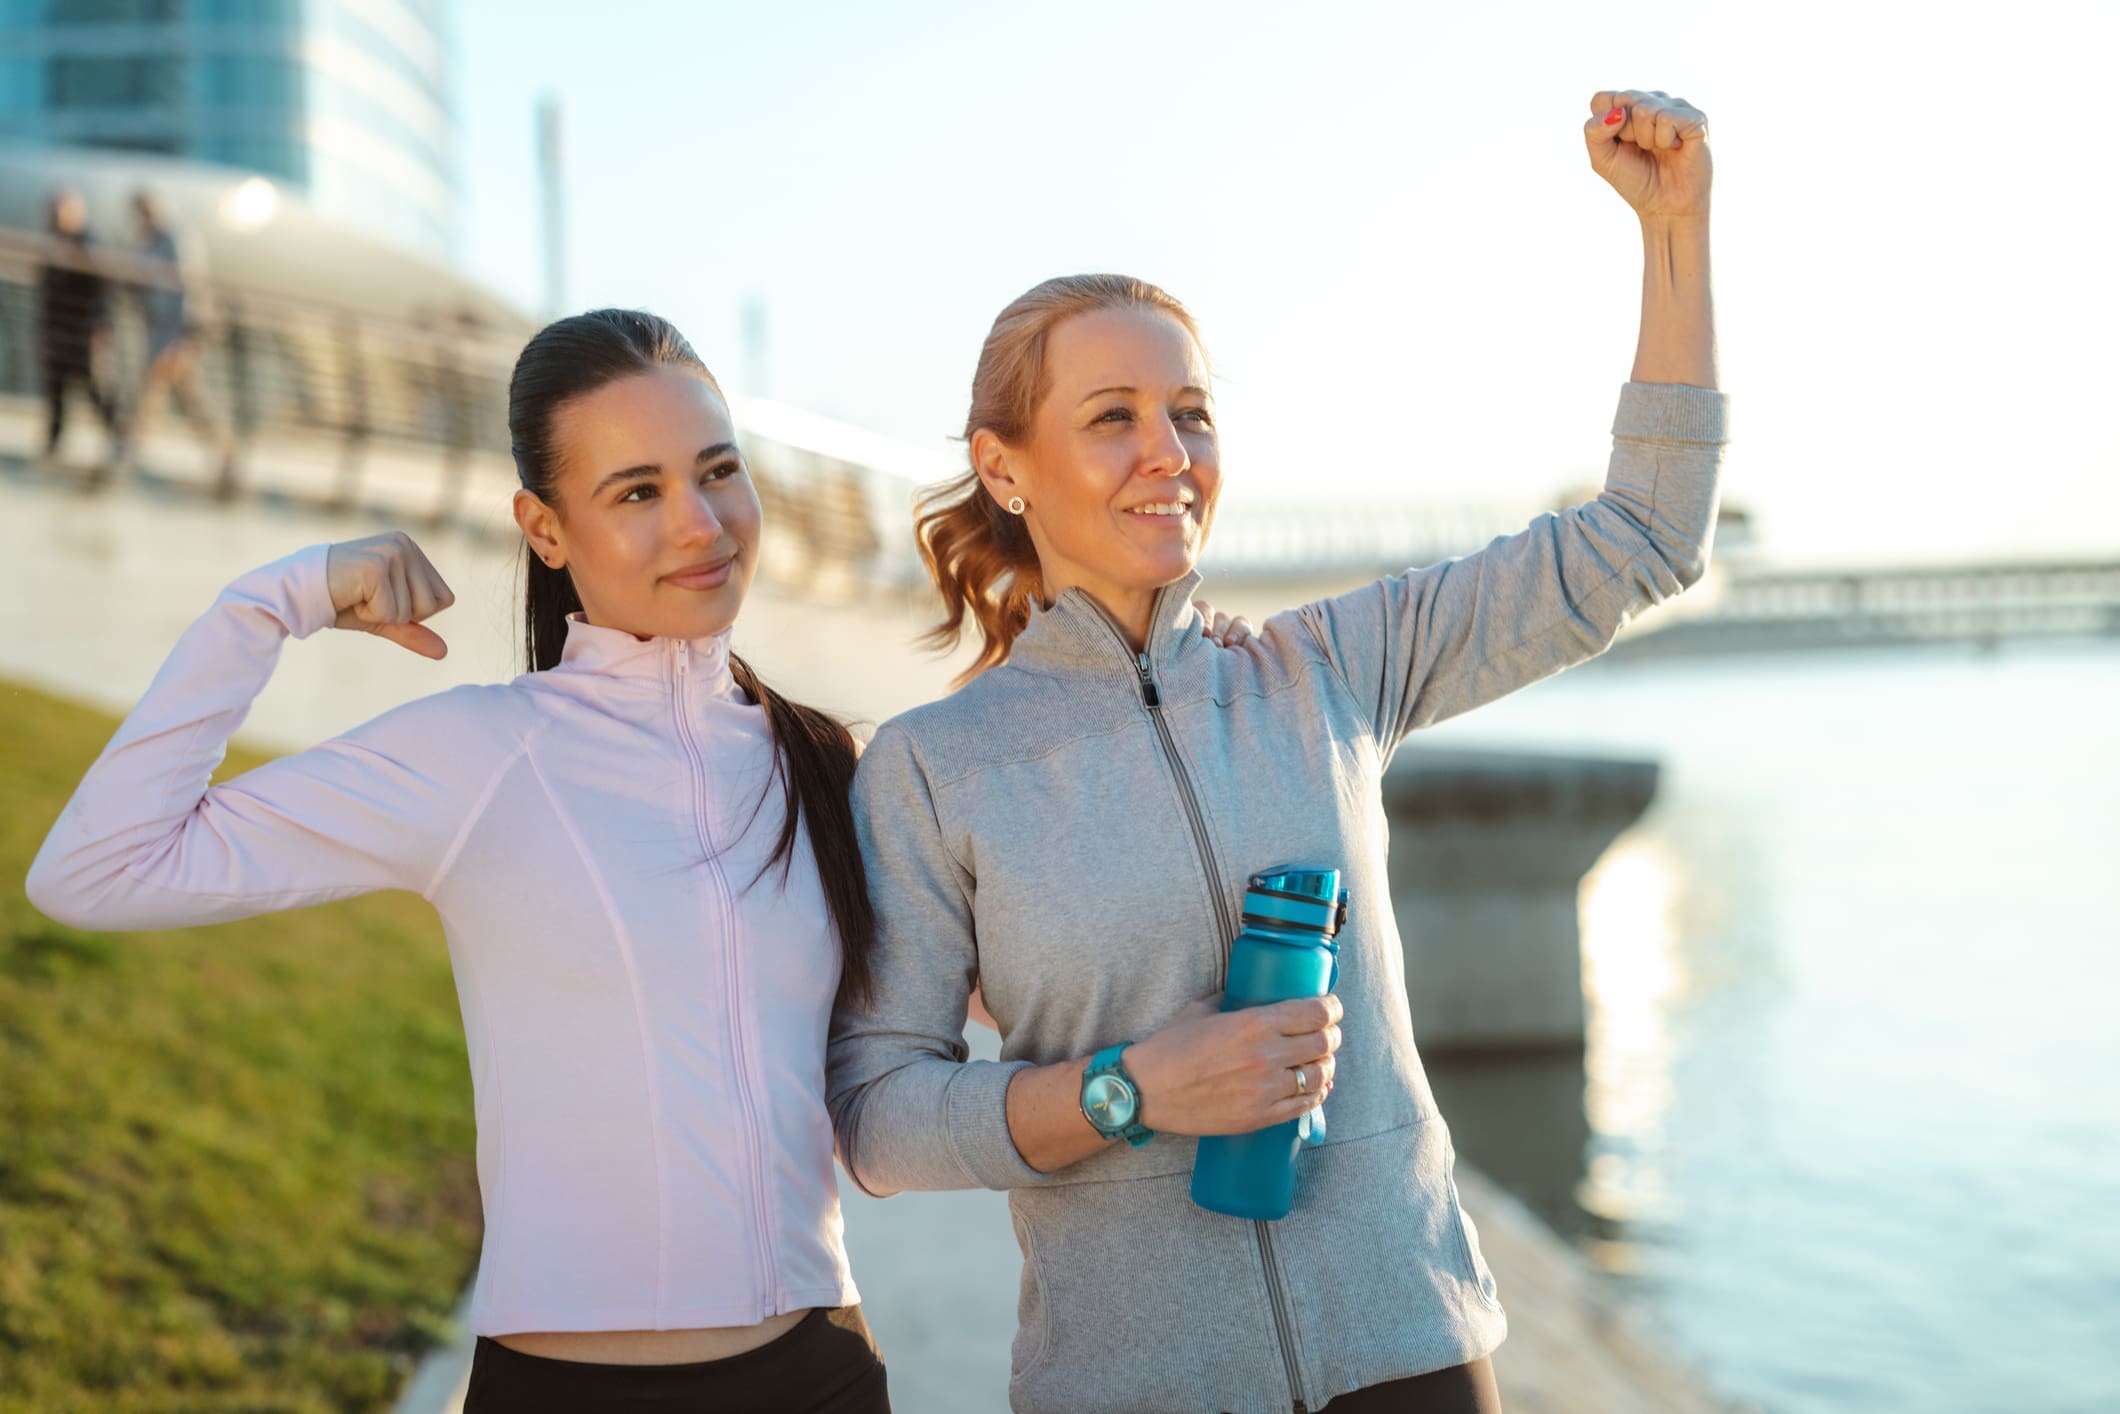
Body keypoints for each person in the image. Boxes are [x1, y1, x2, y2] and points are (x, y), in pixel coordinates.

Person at [827, 90, 1727, 1414]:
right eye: (1113, 416)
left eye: (1190, 413)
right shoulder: (934, 768)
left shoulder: (1329, 668)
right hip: (1129, 1383)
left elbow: (1645, 539)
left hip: (1408, 1351)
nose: (1168, 454)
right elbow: (882, 1116)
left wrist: (1675, 236)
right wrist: (1129, 1088)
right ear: (1004, 468)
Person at [28, 310, 894, 1413]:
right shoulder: (479, 755)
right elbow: (96, 867)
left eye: (718, 471)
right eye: (637, 490)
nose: (700, 523)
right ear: (544, 527)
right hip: (563, 1392)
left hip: (818, 1375)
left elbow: (995, 1002)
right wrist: (274, 601)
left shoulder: (830, 763)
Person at [118, 189, 237, 494]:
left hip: (177, 335)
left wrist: (183, 340)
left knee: (159, 395)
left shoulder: (176, 238)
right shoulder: (148, 245)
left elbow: (190, 287)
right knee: (181, 398)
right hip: (159, 334)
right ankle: (224, 456)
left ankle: (125, 456)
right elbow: (143, 288)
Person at [35, 188, 120, 470]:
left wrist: (99, 328)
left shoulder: (90, 243)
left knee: (95, 390)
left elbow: (103, 290)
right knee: (56, 391)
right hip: (59, 330)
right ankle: (53, 446)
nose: (54, 217)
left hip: (82, 332)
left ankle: (117, 444)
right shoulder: (55, 242)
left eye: (59, 211)